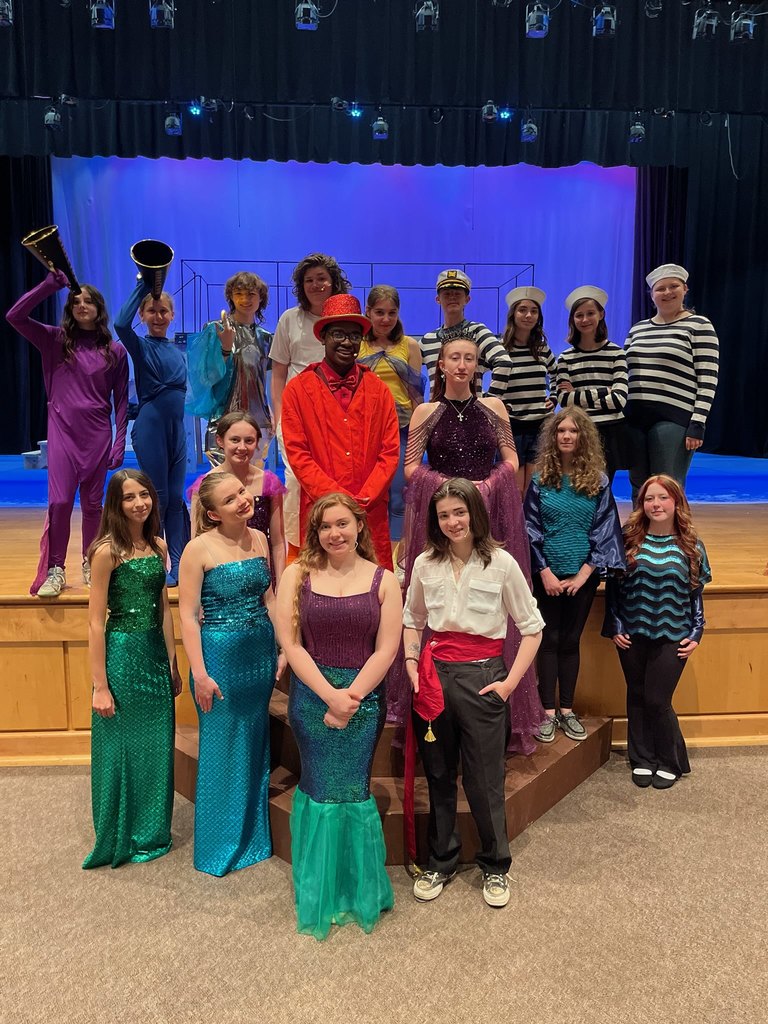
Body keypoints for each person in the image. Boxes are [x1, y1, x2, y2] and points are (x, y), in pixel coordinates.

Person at [397, 336, 544, 753]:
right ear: (440, 365)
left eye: (470, 359)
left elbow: (512, 461)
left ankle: (498, 700)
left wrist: (486, 485)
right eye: (454, 358)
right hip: (444, 516)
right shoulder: (427, 412)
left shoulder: (494, 408)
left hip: (486, 512)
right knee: (434, 596)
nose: (462, 365)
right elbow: (411, 469)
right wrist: (452, 490)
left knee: (495, 595)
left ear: (478, 366)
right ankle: (433, 695)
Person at [403, 478, 544, 908]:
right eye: (444, 515)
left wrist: (508, 685)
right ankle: (441, 861)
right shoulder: (426, 563)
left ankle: (495, 865)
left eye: (459, 513)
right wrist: (411, 666)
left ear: (475, 514)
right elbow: (413, 618)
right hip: (434, 679)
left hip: (485, 678)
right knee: (440, 774)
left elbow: (532, 628)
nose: (452, 522)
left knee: (485, 781)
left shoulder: (501, 563)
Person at [275, 494, 402, 940]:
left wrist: (352, 698)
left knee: (353, 790)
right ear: (316, 531)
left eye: (343, 523)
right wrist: (330, 696)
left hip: (364, 701)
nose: (335, 533)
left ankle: (356, 890)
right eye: (326, 526)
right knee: (320, 789)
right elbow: (292, 647)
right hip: (312, 699)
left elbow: (387, 649)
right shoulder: (297, 574)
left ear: (359, 526)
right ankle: (320, 891)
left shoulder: (385, 580)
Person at [178, 472, 283, 876]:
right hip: (218, 662)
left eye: (241, 492)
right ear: (212, 513)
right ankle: (217, 846)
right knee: (223, 749)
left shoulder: (257, 539)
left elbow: (269, 597)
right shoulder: (197, 549)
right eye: (230, 499)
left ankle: (251, 837)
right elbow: (188, 618)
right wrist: (200, 674)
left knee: (254, 744)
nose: (242, 500)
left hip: (257, 655)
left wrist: (282, 647)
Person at [6, 270, 128, 597]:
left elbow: (121, 401)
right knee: (59, 502)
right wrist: (47, 286)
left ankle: (92, 563)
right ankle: (55, 569)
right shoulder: (54, 339)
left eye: (88, 300)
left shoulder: (115, 351)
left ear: (99, 307)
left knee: (92, 506)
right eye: (75, 301)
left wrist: (119, 443)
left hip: (98, 436)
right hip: (62, 434)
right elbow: (14, 315)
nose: (81, 305)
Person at [83, 469, 181, 869]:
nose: (139, 503)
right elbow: (94, 621)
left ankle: (152, 832)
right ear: (115, 504)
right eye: (129, 497)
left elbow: (164, 612)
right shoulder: (107, 551)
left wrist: (173, 663)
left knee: (157, 745)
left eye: (144, 494)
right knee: (121, 746)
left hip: (155, 655)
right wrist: (99, 686)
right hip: (122, 655)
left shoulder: (158, 546)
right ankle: (121, 833)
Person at [602, 474, 711, 789]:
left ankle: (670, 760)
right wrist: (616, 624)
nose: (656, 504)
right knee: (636, 695)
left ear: (676, 502)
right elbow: (614, 590)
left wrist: (697, 631)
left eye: (663, 497)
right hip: (631, 633)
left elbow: (695, 594)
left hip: (673, 634)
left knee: (656, 699)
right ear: (641, 504)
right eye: (650, 498)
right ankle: (643, 759)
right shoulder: (628, 540)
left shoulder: (691, 545)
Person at [524, 409, 625, 743]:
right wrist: (545, 572)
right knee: (548, 641)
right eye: (561, 431)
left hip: (582, 576)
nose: (566, 436)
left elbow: (605, 530)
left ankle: (567, 711)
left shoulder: (597, 480)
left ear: (584, 437)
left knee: (570, 642)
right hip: (547, 576)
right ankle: (547, 711)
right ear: (553, 437)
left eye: (573, 431)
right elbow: (530, 529)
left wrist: (584, 574)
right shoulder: (540, 479)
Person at [281, 293, 400, 570]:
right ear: (323, 337)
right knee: (321, 586)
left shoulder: (379, 390)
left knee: (374, 588)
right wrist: (337, 501)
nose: (347, 342)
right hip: (320, 510)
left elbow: (390, 451)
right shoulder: (297, 391)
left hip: (369, 510)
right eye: (338, 334)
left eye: (354, 335)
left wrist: (363, 499)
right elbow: (298, 455)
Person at [269, 254, 351, 558]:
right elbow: (278, 373)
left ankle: (333, 541)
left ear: (334, 282)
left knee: (331, 477)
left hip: (337, 415)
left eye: (321, 279)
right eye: (309, 280)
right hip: (296, 413)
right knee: (295, 480)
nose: (316, 285)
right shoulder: (290, 319)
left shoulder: (345, 320)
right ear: (301, 286)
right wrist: (278, 416)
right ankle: (297, 548)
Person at [114, 278, 189, 586]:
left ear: (172, 315)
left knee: (174, 496)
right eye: (152, 311)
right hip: (150, 426)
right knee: (155, 497)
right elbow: (120, 324)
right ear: (142, 316)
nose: (158, 316)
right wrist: (144, 287)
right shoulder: (141, 346)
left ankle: (179, 563)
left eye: (164, 311)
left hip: (177, 430)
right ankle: (153, 561)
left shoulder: (180, 350)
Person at [624, 263, 719, 503]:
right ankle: (639, 538)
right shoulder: (638, 329)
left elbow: (708, 378)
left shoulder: (699, 325)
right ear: (652, 294)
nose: (667, 293)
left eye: (673, 286)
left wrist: (698, 423)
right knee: (639, 487)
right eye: (660, 288)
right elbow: (622, 371)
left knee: (668, 486)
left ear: (685, 289)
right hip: (635, 418)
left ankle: (673, 539)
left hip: (674, 419)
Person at [188, 411, 286, 588]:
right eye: (235, 440)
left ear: (257, 443)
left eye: (249, 441)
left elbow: (278, 543)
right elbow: (197, 541)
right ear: (220, 441)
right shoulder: (204, 486)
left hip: (261, 575)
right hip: (223, 578)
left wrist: (279, 586)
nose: (242, 447)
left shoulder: (269, 483)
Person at [358, 285, 423, 548]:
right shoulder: (357, 344)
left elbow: (416, 393)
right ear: (368, 312)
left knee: (398, 496)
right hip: (365, 430)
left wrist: (422, 433)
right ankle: (367, 553)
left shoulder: (410, 345)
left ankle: (395, 561)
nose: (385, 319)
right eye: (379, 312)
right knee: (369, 495)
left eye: (391, 313)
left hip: (402, 429)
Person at [186, 271, 273, 466]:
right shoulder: (214, 329)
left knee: (254, 484)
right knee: (224, 486)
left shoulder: (266, 338)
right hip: (223, 419)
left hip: (258, 421)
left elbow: (267, 382)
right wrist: (225, 348)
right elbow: (205, 377)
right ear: (231, 297)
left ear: (261, 298)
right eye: (238, 293)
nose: (244, 299)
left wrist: (272, 414)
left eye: (251, 294)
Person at [556, 286, 628, 484]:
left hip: (611, 431)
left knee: (602, 486)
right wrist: (605, 390)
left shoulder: (617, 353)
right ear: (573, 320)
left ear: (601, 314)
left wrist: (578, 395)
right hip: (579, 430)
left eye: (590, 313)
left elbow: (619, 400)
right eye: (579, 315)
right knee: (577, 484)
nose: (585, 319)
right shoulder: (565, 358)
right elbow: (564, 400)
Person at [419, 269, 513, 399]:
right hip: (436, 413)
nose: (452, 297)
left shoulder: (478, 332)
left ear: (467, 299)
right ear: (438, 299)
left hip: (472, 413)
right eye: (446, 294)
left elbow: (503, 362)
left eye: (457, 294)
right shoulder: (426, 341)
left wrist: (491, 402)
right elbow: (407, 372)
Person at [500, 286, 557, 496]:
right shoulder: (501, 348)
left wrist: (555, 397)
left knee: (535, 488)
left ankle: (531, 528)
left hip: (540, 424)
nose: (528, 315)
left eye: (534, 311)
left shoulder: (542, 348)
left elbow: (557, 374)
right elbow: (478, 373)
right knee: (514, 488)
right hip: (511, 424)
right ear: (513, 314)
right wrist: (495, 404)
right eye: (523, 310)